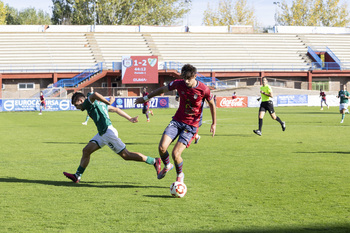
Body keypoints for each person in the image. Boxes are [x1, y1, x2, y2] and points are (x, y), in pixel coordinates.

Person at [135, 64, 216, 184]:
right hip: (177, 121)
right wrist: (146, 98)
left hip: (191, 125)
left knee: (175, 153)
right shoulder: (179, 83)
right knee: (162, 148)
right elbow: (162, 89)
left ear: (194, 76)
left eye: (189, 79)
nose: (186, 81)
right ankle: (167, 165)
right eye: (184, 78)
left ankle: (180, 175)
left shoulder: (204, 89)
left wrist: (214, 123)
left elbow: (212, 105)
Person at [63, 91, 161, 183]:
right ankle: (77, 176)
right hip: (102, 133)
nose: (77, 108)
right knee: (86, 151)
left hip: (108, 133)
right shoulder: (98, 103)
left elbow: (95, 94)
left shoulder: (88, 102)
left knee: (126, 155)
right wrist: (130, 118)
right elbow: (116, 109)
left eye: (76, 105)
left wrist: (108, 102)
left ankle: (154, 161)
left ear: (81, 100)